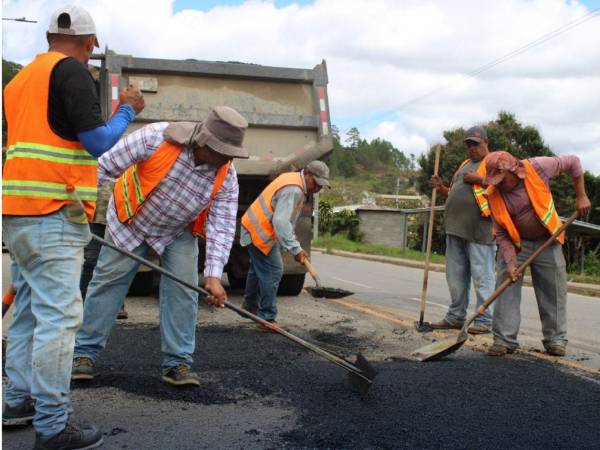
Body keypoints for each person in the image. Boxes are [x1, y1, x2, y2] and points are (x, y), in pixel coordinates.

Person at [2, 5, 144, 449]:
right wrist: (127, 110)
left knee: (28, 310)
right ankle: (52, 426)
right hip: (54, 211)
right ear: (89, 44)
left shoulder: (19, 82)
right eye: (89, 50)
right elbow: (99, 142)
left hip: (17, 211)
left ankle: (15, 401)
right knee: (60, 320)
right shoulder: (73, 72)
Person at [72, 106, 248, 387]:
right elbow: (102, 167)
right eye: (220, 151)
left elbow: (223, 224)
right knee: (108, 283)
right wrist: (77, 210)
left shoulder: (226, 173)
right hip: (130, 218)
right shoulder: (155, 138)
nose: (225, 159)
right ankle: (82, 355)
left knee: (184, 290)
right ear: (203, 141)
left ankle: (177, 362)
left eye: (229, 153)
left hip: (176, 230)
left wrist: (213, 275)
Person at [483, 151, 591, 357]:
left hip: (548, 240)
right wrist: (511, 263)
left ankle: (555, 339)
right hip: (516, 244)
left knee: (554, 290)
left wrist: (581, 195)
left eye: (501, 179)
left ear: (513, 171)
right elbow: (501, 232)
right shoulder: (493, 194)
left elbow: (574, 162)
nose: (497, 184)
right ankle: (504, 339)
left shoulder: (538, 167)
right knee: (507, 284)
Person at [240, 160, 330, 330]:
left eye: (321, 186)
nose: (318, 189)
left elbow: (285, 220)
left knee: (257, 269)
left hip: (254, 227)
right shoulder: (294, 189)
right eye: (316, 184)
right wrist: (295, 249)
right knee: (274, 270)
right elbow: (280, 222)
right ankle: (266, 317)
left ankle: (250, 306)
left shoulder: (294, 180)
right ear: (308, 174)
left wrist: (293, 244)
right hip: (260, 231)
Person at [428, 126, 496, 334]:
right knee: (455, 277)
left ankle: (484, 320)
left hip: (480, 232)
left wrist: (480, 180)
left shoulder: (494, 162)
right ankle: (456, 316)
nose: (472, 149)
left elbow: (504, 187)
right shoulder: (465, 164)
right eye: (469, 144)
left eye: (476, 144)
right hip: (455, 229)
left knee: (482, 277)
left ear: (486, 142)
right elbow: (456, 193)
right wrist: (441, 189)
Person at [79, 182, 129, 319]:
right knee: (91, 261)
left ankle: (117, 305)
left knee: (117, 263)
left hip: (121, 211)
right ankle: (83, 303)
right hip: (97, 211)